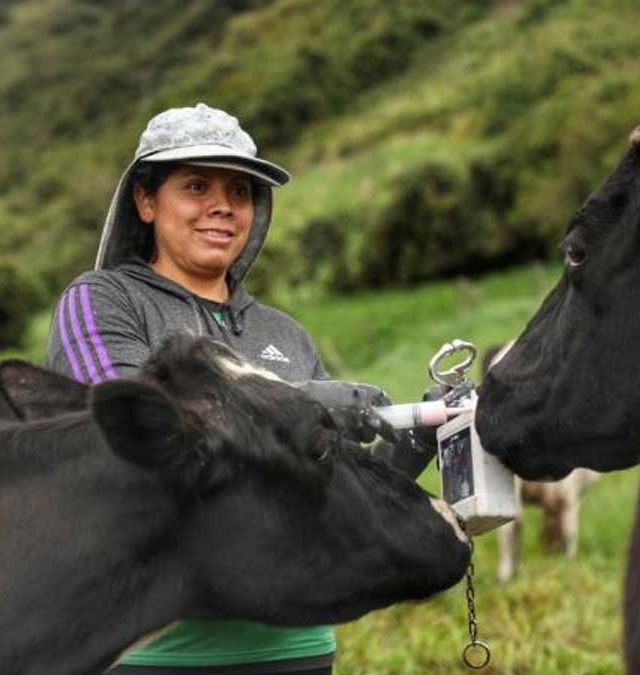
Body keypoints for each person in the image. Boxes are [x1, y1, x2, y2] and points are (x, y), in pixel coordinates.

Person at [45, 103, 436, 675]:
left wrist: (419, 435)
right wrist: (305, 406)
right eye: (196, 185)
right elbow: (129, 426)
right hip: (150, 653)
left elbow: (338, 499)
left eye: (240, 191)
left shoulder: (283, 333)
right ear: (146, 201)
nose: (223, 207)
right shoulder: (102, 301)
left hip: (296, 651)